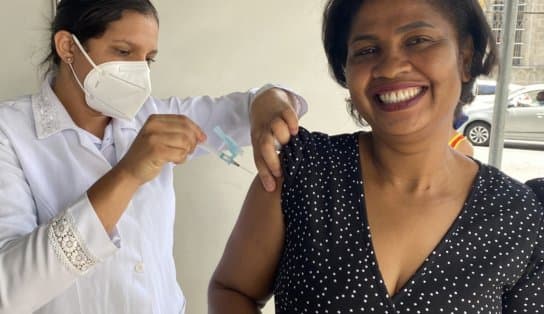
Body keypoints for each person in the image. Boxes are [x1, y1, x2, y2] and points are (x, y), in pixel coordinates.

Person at [208, 0, 544, 313]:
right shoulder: (300, 173)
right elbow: (233, 289)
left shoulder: (518, 215)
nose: (391, 66)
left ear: (466, 57)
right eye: (367, 50)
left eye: (418, 40)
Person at [0, 1, 308, 313]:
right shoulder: (9, 132)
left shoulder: (155, 115)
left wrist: (270, 101)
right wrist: (128, 174)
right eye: (123, 52)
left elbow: (257, 104)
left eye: (148, 59)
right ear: (68, 47)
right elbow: (10, 290)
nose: (139, 73)